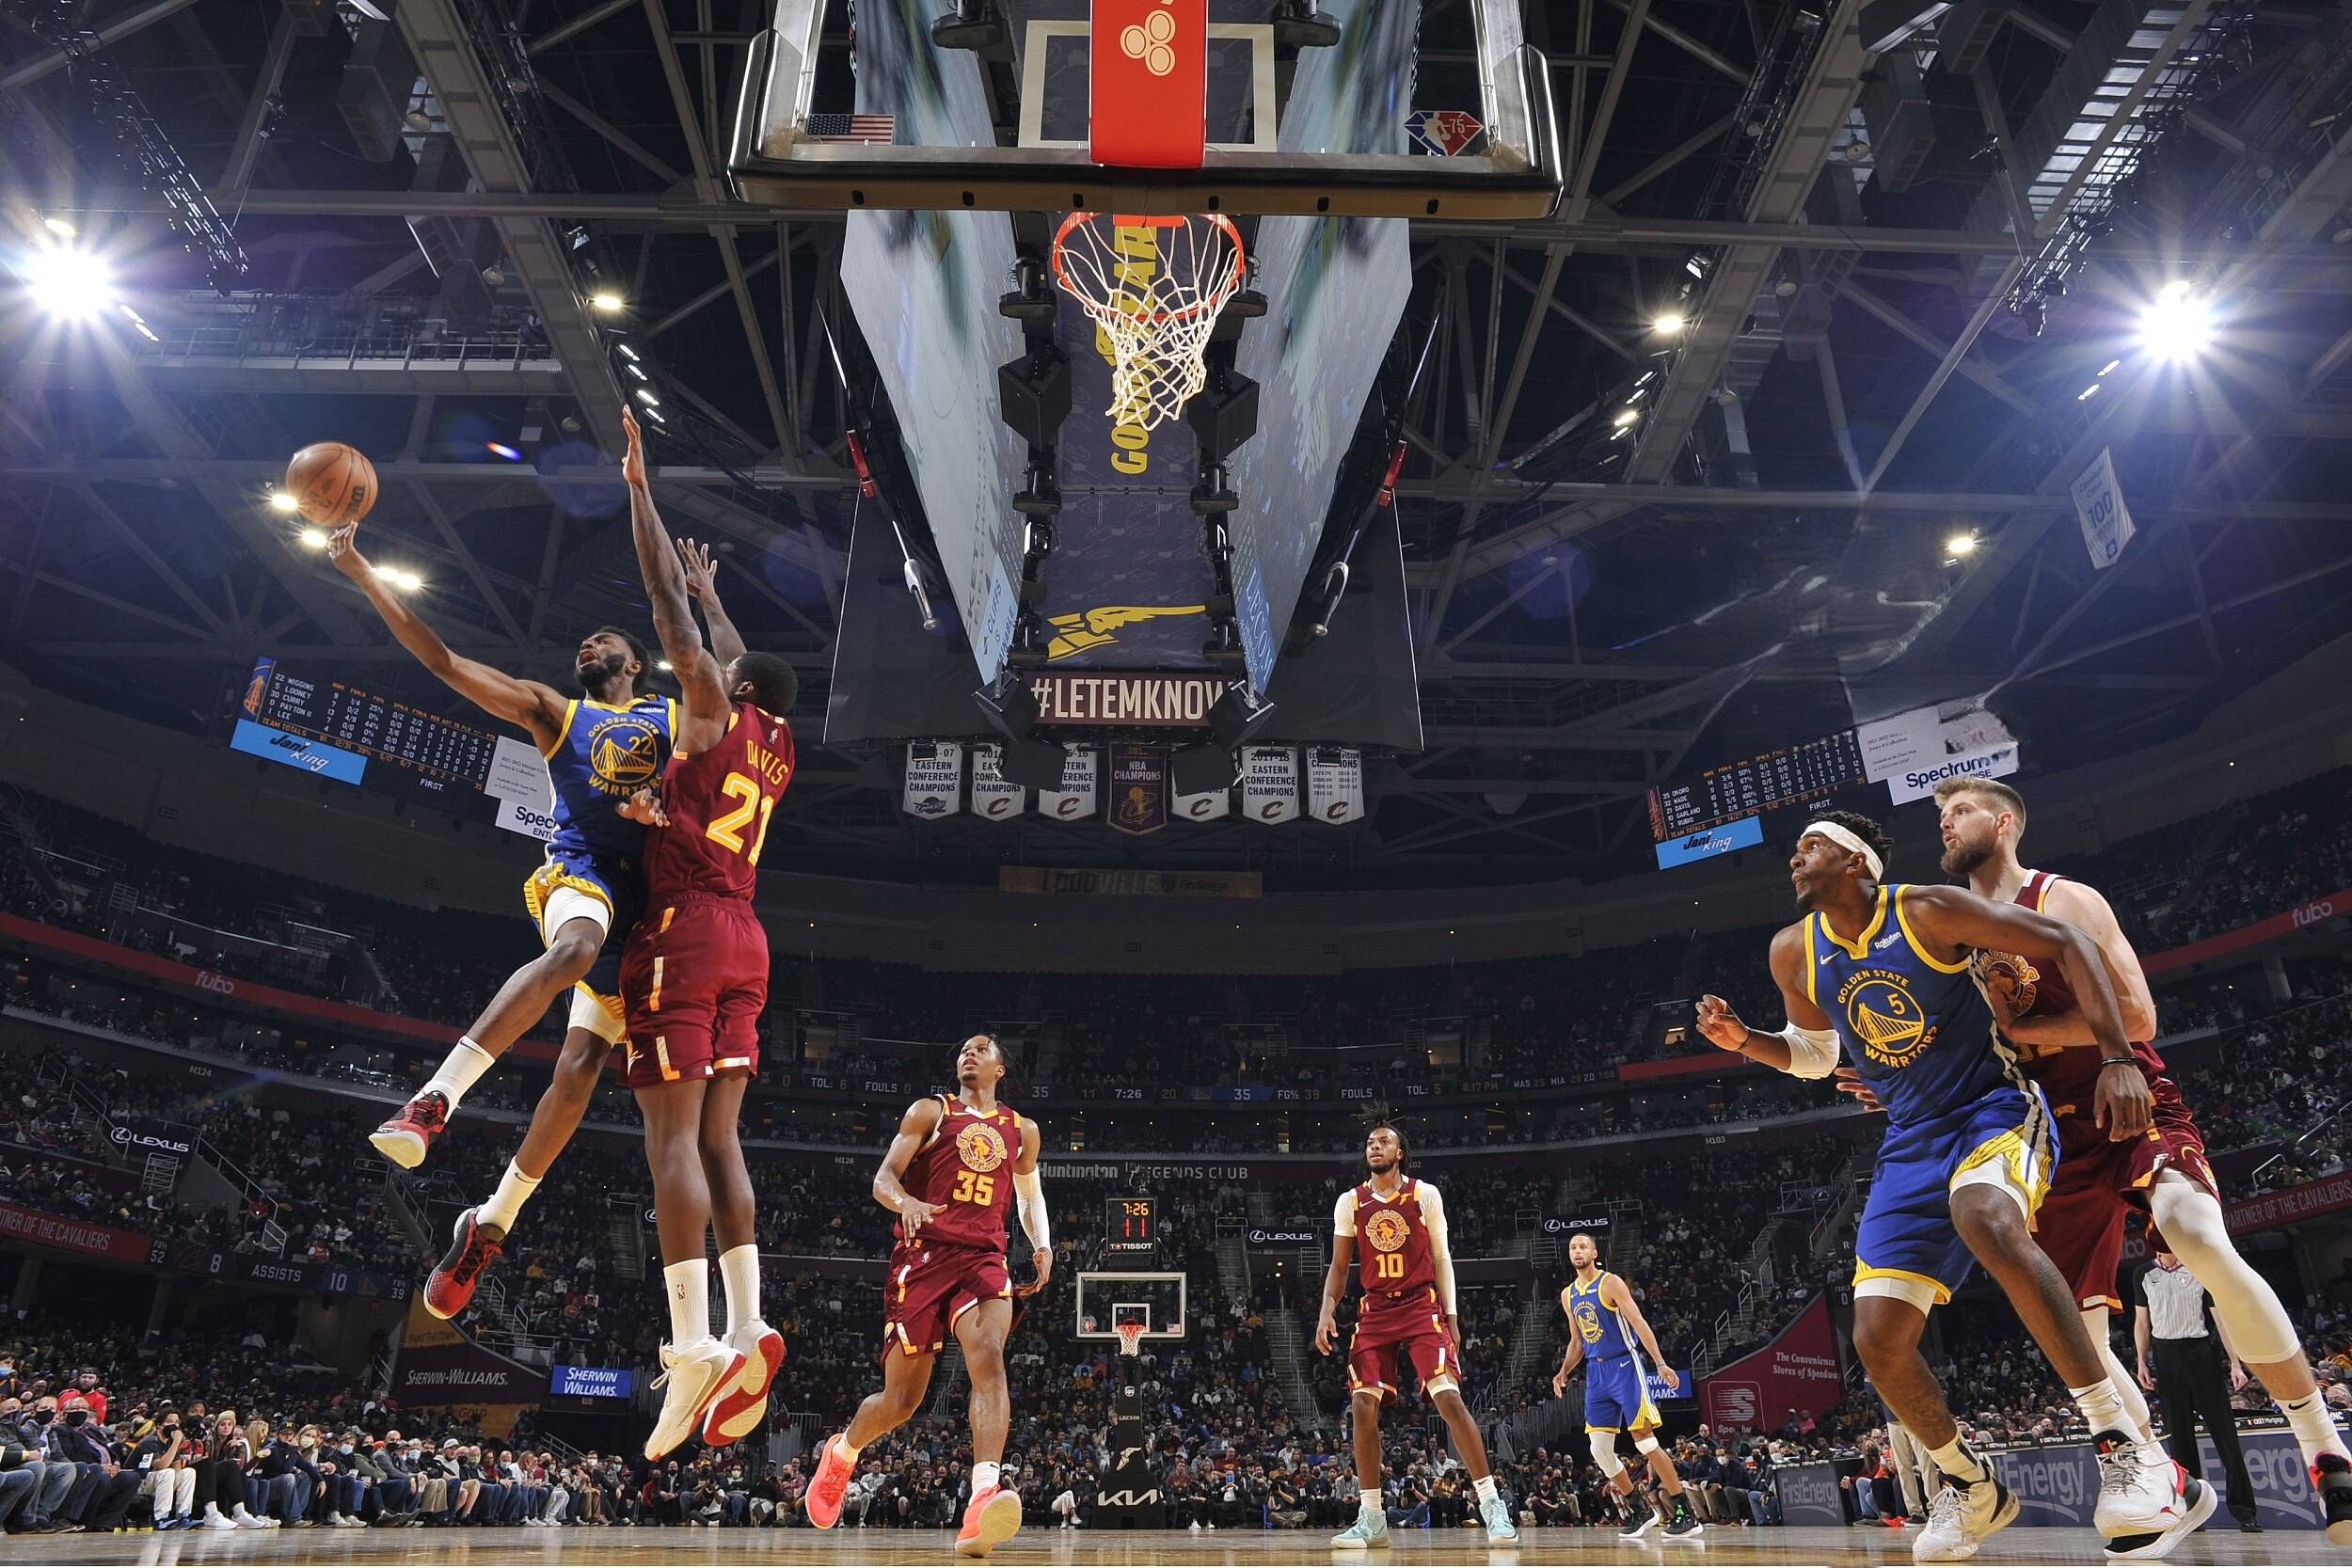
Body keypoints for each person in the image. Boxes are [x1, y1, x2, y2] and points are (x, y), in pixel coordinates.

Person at [1696, 811, 2208, 1563]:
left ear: (1856, 861)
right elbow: (1815, 1054)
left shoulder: (1927, 909)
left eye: (1812, 846)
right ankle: (1970, 1484)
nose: (1795, 858)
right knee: (1877, 1338)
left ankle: (2126, 1446)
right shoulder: (1791, 950)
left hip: (1993, 1107)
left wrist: (2116, 1056)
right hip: (1910, 1138)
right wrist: (1747, 1041)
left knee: (1985, 1217)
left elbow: (2067, 942)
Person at [1930, 776, 2352, 1543]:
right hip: (2045, 1130)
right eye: (1940, 816)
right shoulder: (1951, 934)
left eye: (1959, 811)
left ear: (2005, 821)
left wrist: (2039, 1037)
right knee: (2075, 1335)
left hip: (2122, 1091)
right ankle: (2162, 1475)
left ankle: (2323, 1446)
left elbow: (2139, 1014)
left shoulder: (2064, 898)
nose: (1945, 824)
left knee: (2194, 1231)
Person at [330, 518, 733, 1319]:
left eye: (602, 639)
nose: (587, 644)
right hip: (583, 874)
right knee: (574, 948)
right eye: (583, 642)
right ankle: (433, 1100)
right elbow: (445, 663)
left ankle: (490, 1221)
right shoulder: (555, 711)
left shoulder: (668, 715)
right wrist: (363, 572)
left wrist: (708, 603)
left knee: (580, 1070)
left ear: (633, 660)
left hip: (654, 914)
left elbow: (725, 687)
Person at [614, 405, 797, 1461]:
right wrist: (721, 600)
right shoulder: (775, 741)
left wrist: (641, 493)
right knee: (721, 1139)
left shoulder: (710, 712)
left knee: (670, 1141)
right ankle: (749, 1321)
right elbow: (728, 650)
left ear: (732, 689)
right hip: (747, 936)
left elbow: (672, 623)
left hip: (685, 928)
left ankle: (691, 1347)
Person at [801, 1035, 1050, 1559]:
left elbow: (1029, 1194)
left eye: (981, 1049)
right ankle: (842, 1453)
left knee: (989, 1357)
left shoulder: (1021, 1129)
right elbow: (883, 1180)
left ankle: (983, 1495)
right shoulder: (930, 1112)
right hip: (924, 1258)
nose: (968, 1053)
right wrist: (906, 1201)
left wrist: (1042, 1244)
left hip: (984, 1258)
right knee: (901, 1402)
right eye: (963, 1049)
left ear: (1000, 1068)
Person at [1314, 1123, 1518, 1547]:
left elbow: (1441, 1258)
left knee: (1448, 1398)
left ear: (1400, 1152)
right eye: (1370, 1142)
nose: (1375, 1147)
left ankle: (1491, 1505)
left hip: (1421, 1305)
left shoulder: (1424, 1194)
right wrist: (1326, 1310)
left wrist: (1452, 1316)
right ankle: (1373, 1518)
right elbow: (1339, 1267)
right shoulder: (1350, 1201)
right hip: (1376, 1309)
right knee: (1361, 1406)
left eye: (1384, 1142)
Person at [1550, 1231, 1701, 1541]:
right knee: (1599, 1449)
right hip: (1596, 1373)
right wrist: (1563, 1371)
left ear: (1594, 1253)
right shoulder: (1568, 1295)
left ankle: (1685, 1512)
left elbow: (1638, 1323)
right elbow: (1577, 1341)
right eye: (1573, 1247)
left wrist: (1660, 1362)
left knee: (1644, 1441)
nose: (1577, 1251)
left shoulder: (1611, 1283)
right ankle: (1639, 1509)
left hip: (1625, 1366)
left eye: (1583, 1246)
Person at [2135, 1246, 2259, 1530]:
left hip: (2199, 1351)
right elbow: (2142, 1322)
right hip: (2165, 1354)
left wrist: (2235, 1362)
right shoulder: (2143, 1273)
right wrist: (2141, 1361)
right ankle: (2192, 1512)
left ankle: (2245, 1511)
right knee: (2179, 1437)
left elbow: (2220, 1318)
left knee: (2224, 1432)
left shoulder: (2199, 1268)